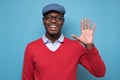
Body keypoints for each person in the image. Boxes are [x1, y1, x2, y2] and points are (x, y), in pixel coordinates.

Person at [22, 3, 106, 80]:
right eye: (49, 17)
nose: (53, 21)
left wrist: (89, 46)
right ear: (43, 21)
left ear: (62, 22)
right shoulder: (31, 48)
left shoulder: (76, 47)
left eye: (58, 18)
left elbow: (99, 73)